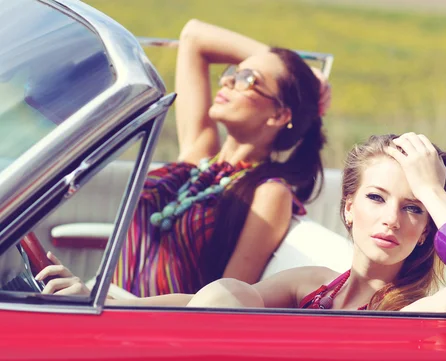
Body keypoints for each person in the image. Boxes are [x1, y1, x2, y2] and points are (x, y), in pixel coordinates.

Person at [37, 133, 446, 314]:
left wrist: (435, 191)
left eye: (413, 207)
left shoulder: (410, 314)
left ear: (427, 233)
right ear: (348, 209)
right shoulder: (316, 285)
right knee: (232, 291)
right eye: (376, 198)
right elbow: (203, 303)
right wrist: (104, 303)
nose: (391, 219)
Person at [110, 19, 331, 297]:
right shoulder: (199, 154)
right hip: (105, 301)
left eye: (248, 80)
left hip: (152, 325)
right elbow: (193, 36)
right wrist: (293, 66)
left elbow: (225, 300)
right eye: (234, 73)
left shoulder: (269, 193)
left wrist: (131, 309)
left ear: (279, 115)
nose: (227, 81)